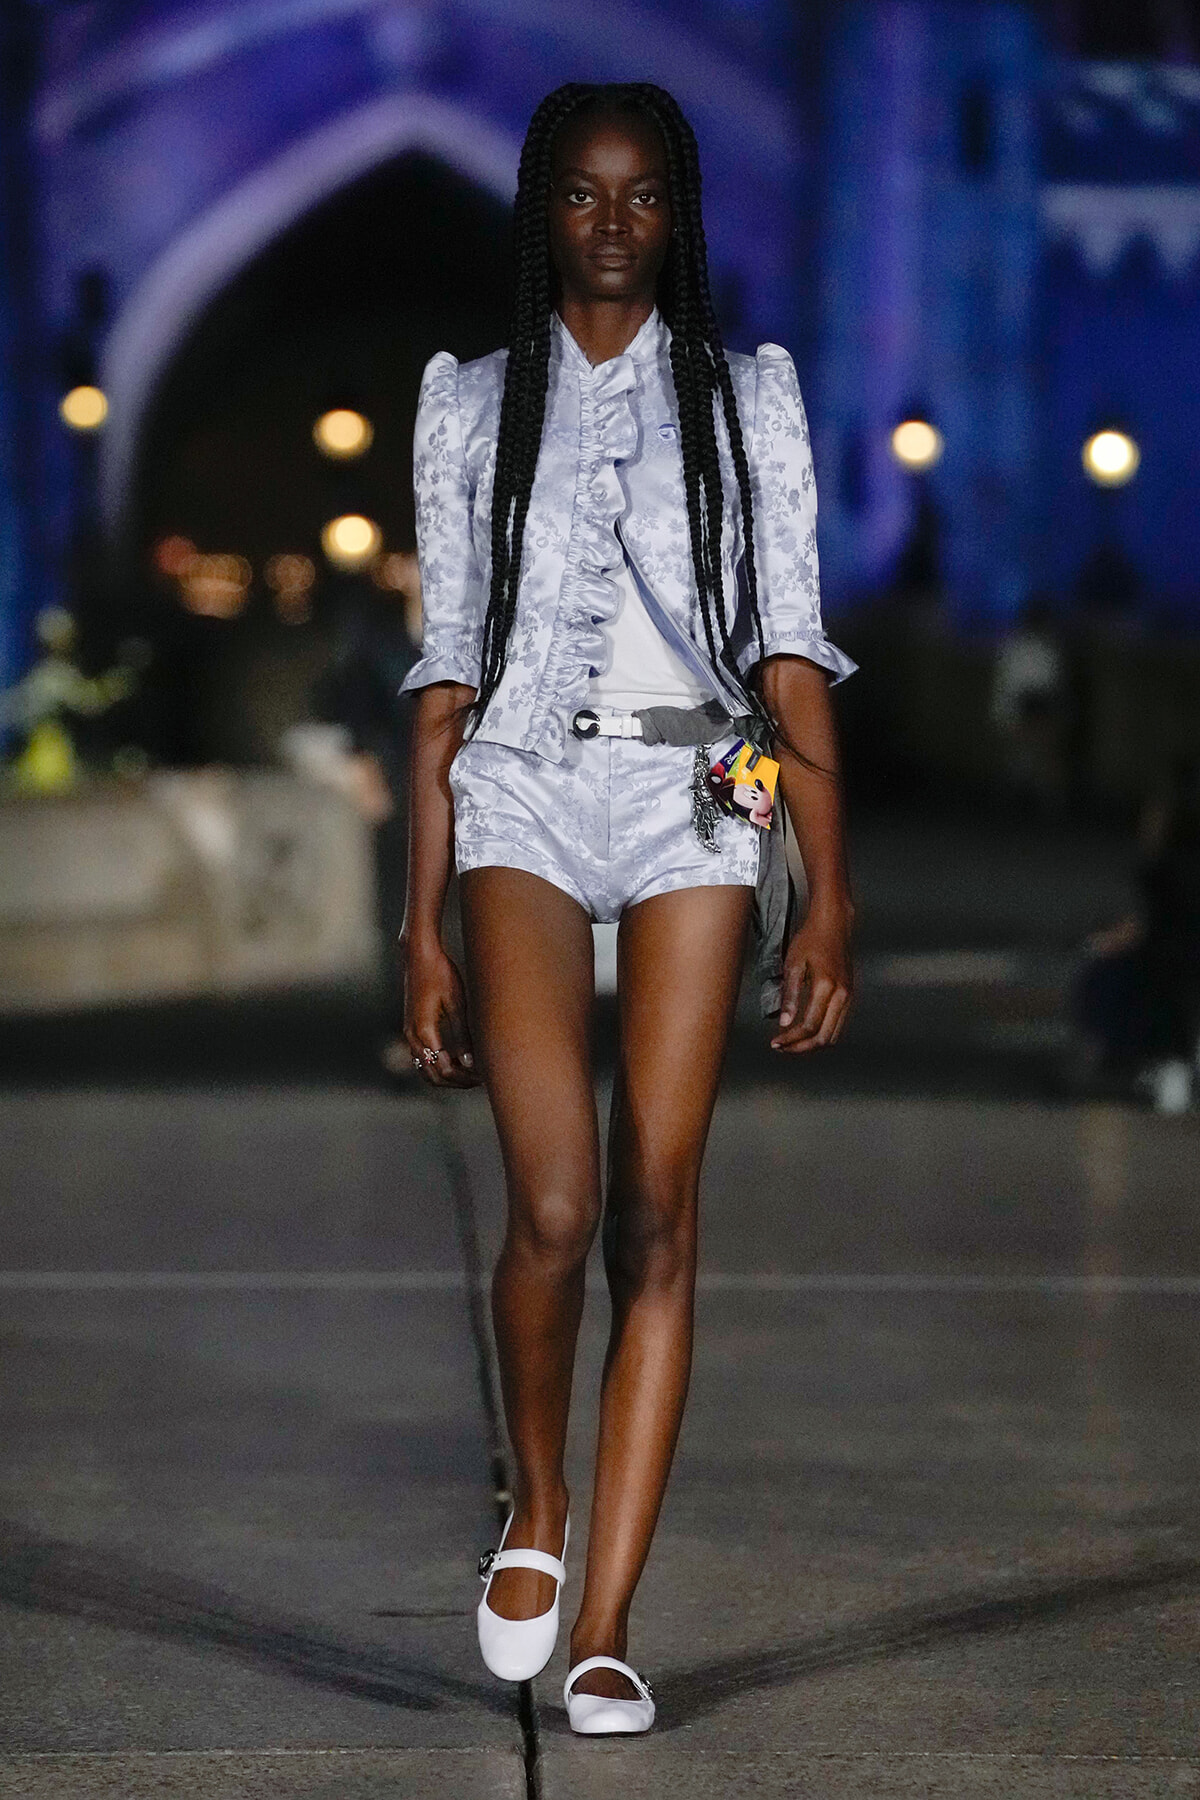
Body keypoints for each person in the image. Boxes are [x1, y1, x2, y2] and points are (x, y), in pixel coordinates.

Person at [399, 82, 856, 1734]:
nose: (611, 224)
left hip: (704, 791)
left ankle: (601, 1629)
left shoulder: (748, 399)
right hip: (521, 785)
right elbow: (448, 669)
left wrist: (829, 894)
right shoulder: (471, 404)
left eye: (643, 196)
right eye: (582, 198)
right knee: (557, 1205)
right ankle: (538, 1499)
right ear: (543, 213)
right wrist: (418, 923)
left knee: (660, 1204)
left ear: (678, 215)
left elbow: (786, 649)